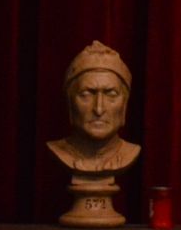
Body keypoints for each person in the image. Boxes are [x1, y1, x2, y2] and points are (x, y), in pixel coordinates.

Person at [48, 40, 141, 174]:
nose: (99, 109)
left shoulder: (131, 152)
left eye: (111, 94)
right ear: (70, 102)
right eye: (86, 94)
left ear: (125, 103)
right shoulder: (58, 150)